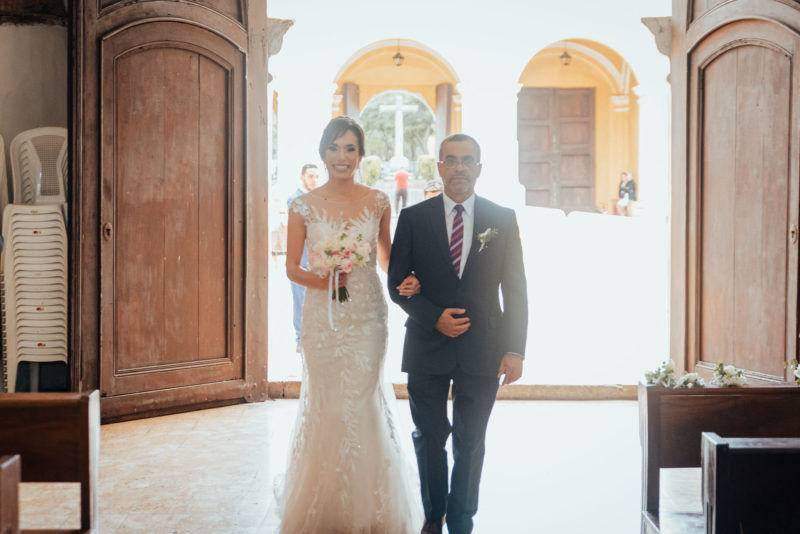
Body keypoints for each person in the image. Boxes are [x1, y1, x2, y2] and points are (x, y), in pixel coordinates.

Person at [279, 116, 423, 532]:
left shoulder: (377, 201)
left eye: (351, 149)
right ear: (322, 153)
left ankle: (370, 509)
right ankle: (324, 507)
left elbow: (385, 257)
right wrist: (321, 279)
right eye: (334, 148)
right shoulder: (301, 205)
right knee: (328, 405)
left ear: (361, 155)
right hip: (322, 317)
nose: (342, 157)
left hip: (366, 316)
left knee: (360, 402)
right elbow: (291, 267)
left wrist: (407, 278)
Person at [388, 133, 528, 534]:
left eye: (468, 160)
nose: (460, 167)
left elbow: (515, 288)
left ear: (479, 168)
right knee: (429, 436)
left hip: (483, 348)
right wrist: (433, 317)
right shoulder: (414, 218)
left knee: (471, 440)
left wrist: (515, 350)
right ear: (440, 167)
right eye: (451, 159)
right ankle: (434, 515)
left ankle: (463, 517)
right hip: (426, 347)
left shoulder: (502, 219)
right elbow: (396, 282)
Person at [287, 164, 319, 351]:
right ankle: (300, 338)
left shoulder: (318, 198)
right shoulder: (294, 199)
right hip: (301, 257)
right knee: (300, 299)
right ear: (302, 177)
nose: (314, 180)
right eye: (310, 176)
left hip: (318, 258)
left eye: (316, 176)